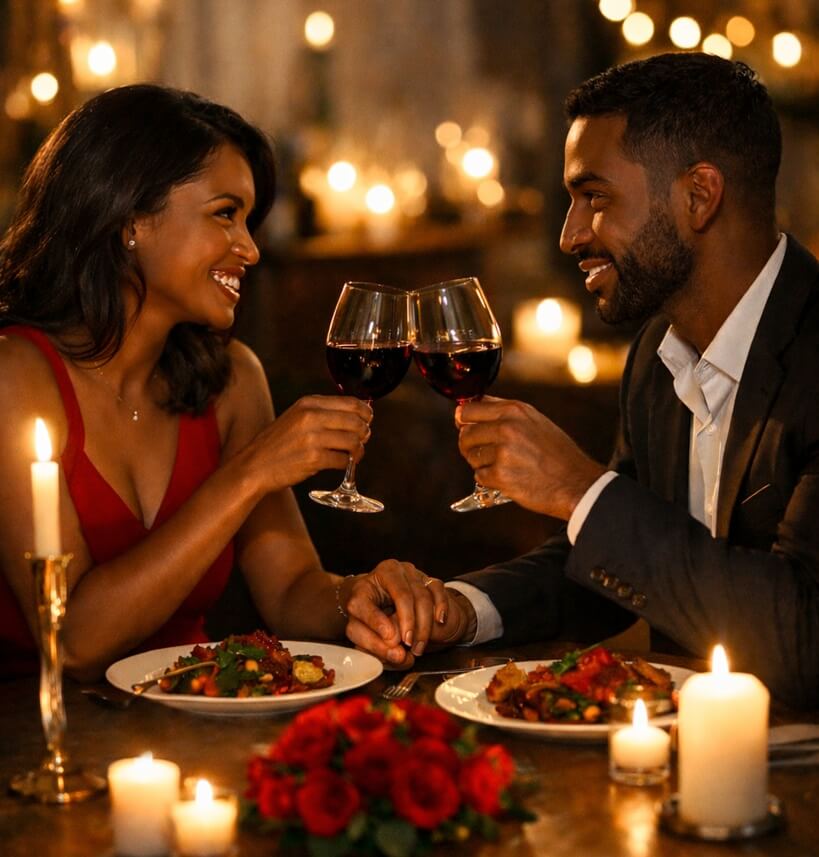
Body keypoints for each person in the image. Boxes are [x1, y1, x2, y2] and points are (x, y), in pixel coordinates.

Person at [386, 52, 819, 708]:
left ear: (697, 196)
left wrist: (577, 487)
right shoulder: (656, 355)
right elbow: (613, 559)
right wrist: (462, 608)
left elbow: (802, 640)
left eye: (594, 197)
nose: (568, 235)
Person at [0, 83, 452, 681]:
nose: (250, 249)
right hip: (40, 742)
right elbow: (74, 641)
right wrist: (250, 472)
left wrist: (358, 598)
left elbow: (290, 589)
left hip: (191, 723)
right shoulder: (16, 378)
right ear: (131, 218)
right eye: (225, 214)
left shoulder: (232, 378)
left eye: (249, 219)